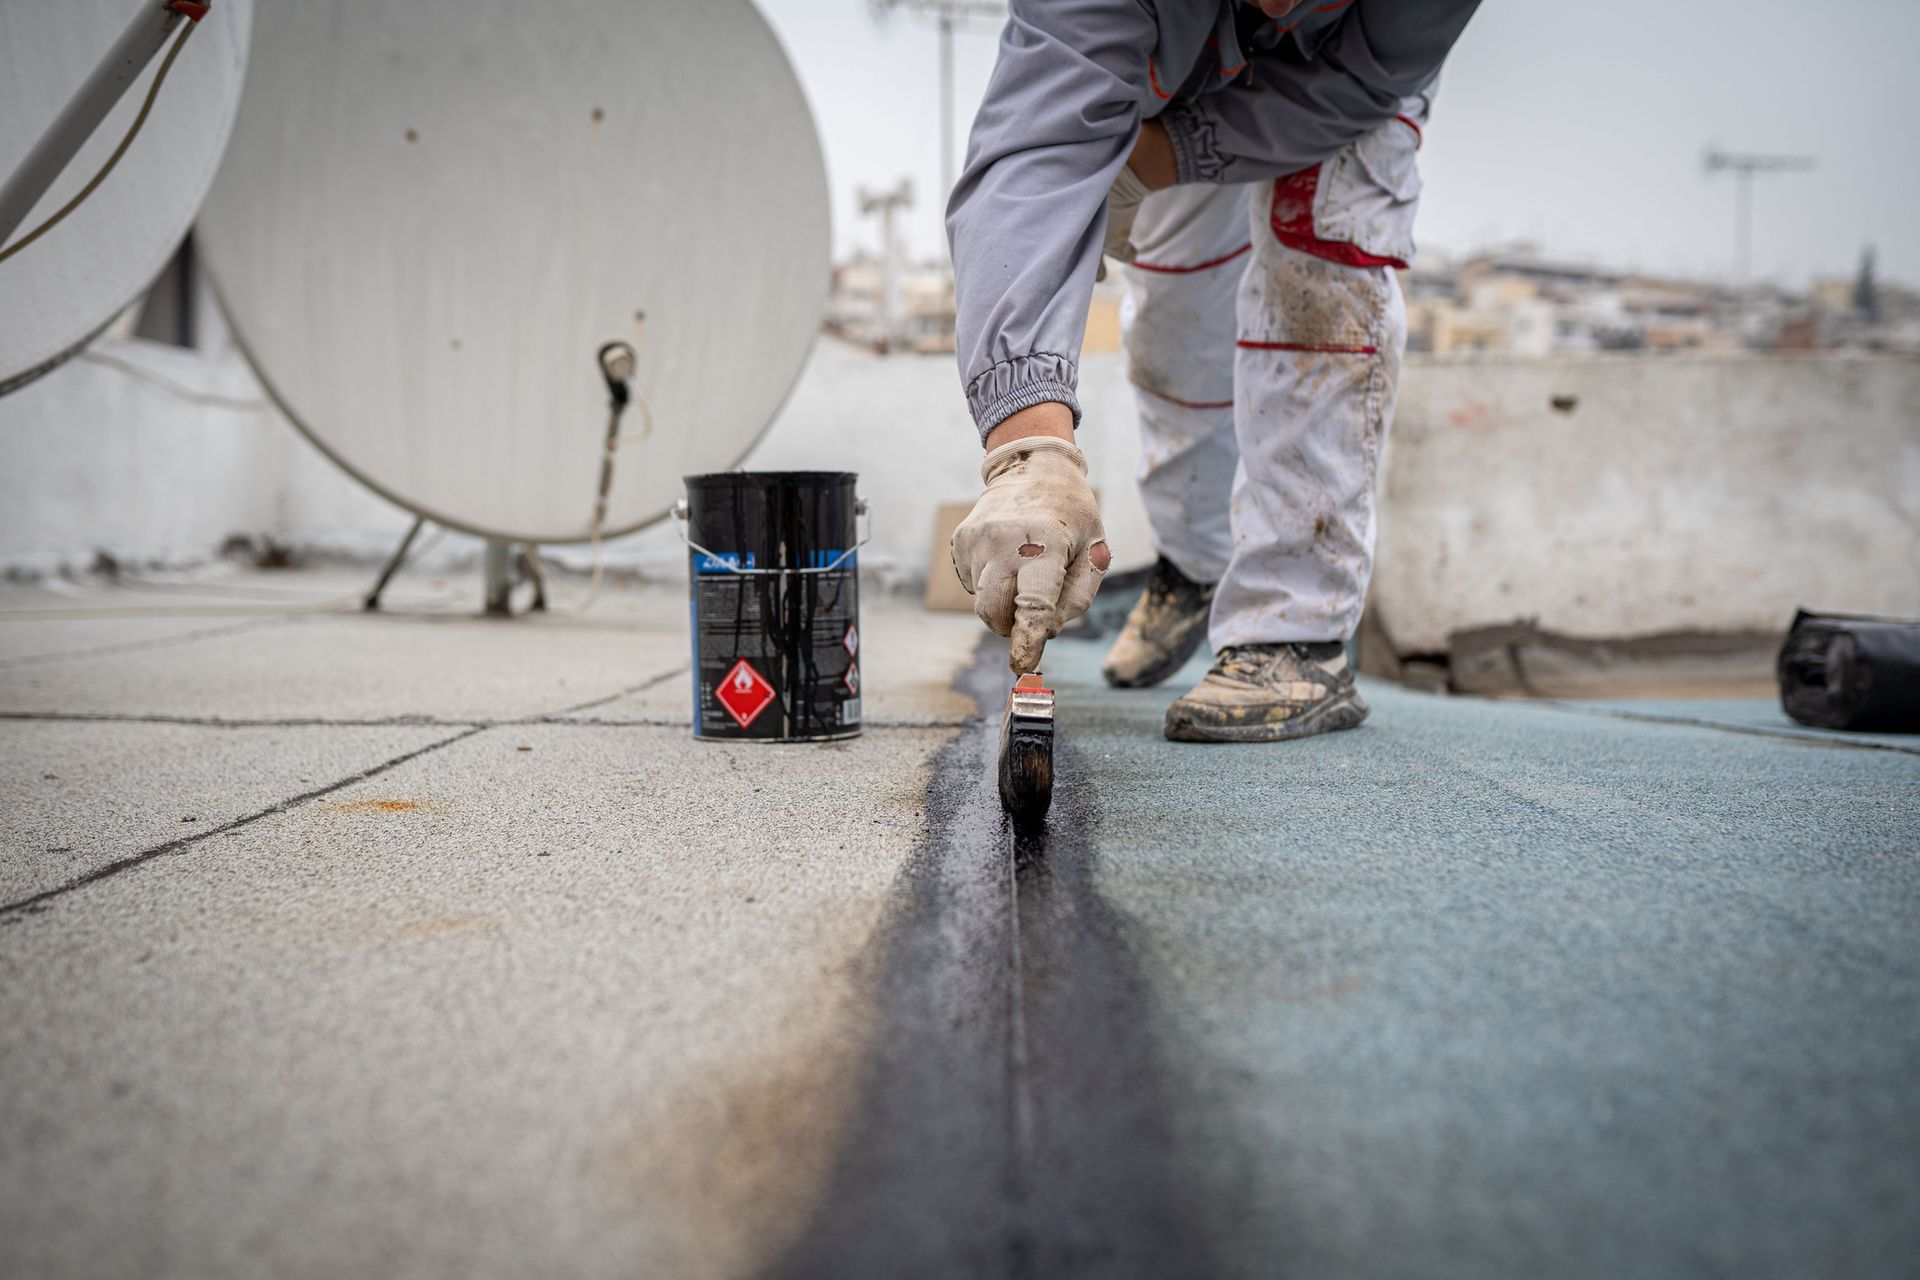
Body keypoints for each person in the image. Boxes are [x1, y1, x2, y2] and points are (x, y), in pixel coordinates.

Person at [947, 0, 1481, 742]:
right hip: (1180, 81)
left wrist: (1167, 156)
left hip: (1350, 90)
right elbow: (1035, 155)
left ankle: (1293, 630)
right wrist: (1030, 449)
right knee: (1174, 313)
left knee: (1320, 251)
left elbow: (1362, 83)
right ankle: (1196, 564)